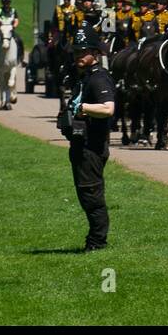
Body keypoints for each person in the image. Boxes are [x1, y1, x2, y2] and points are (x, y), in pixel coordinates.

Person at [61, 25, 116, 252]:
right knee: (86, 194)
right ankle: (95, 239)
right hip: (80, 145)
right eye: (75, 52)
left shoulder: (99, 79)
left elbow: (108, 108)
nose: (77, 56)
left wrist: (84, 107)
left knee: (92, 195)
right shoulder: (84, 77)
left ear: (95, 53)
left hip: (92, 146)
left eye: (82, 52)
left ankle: (97, 242)